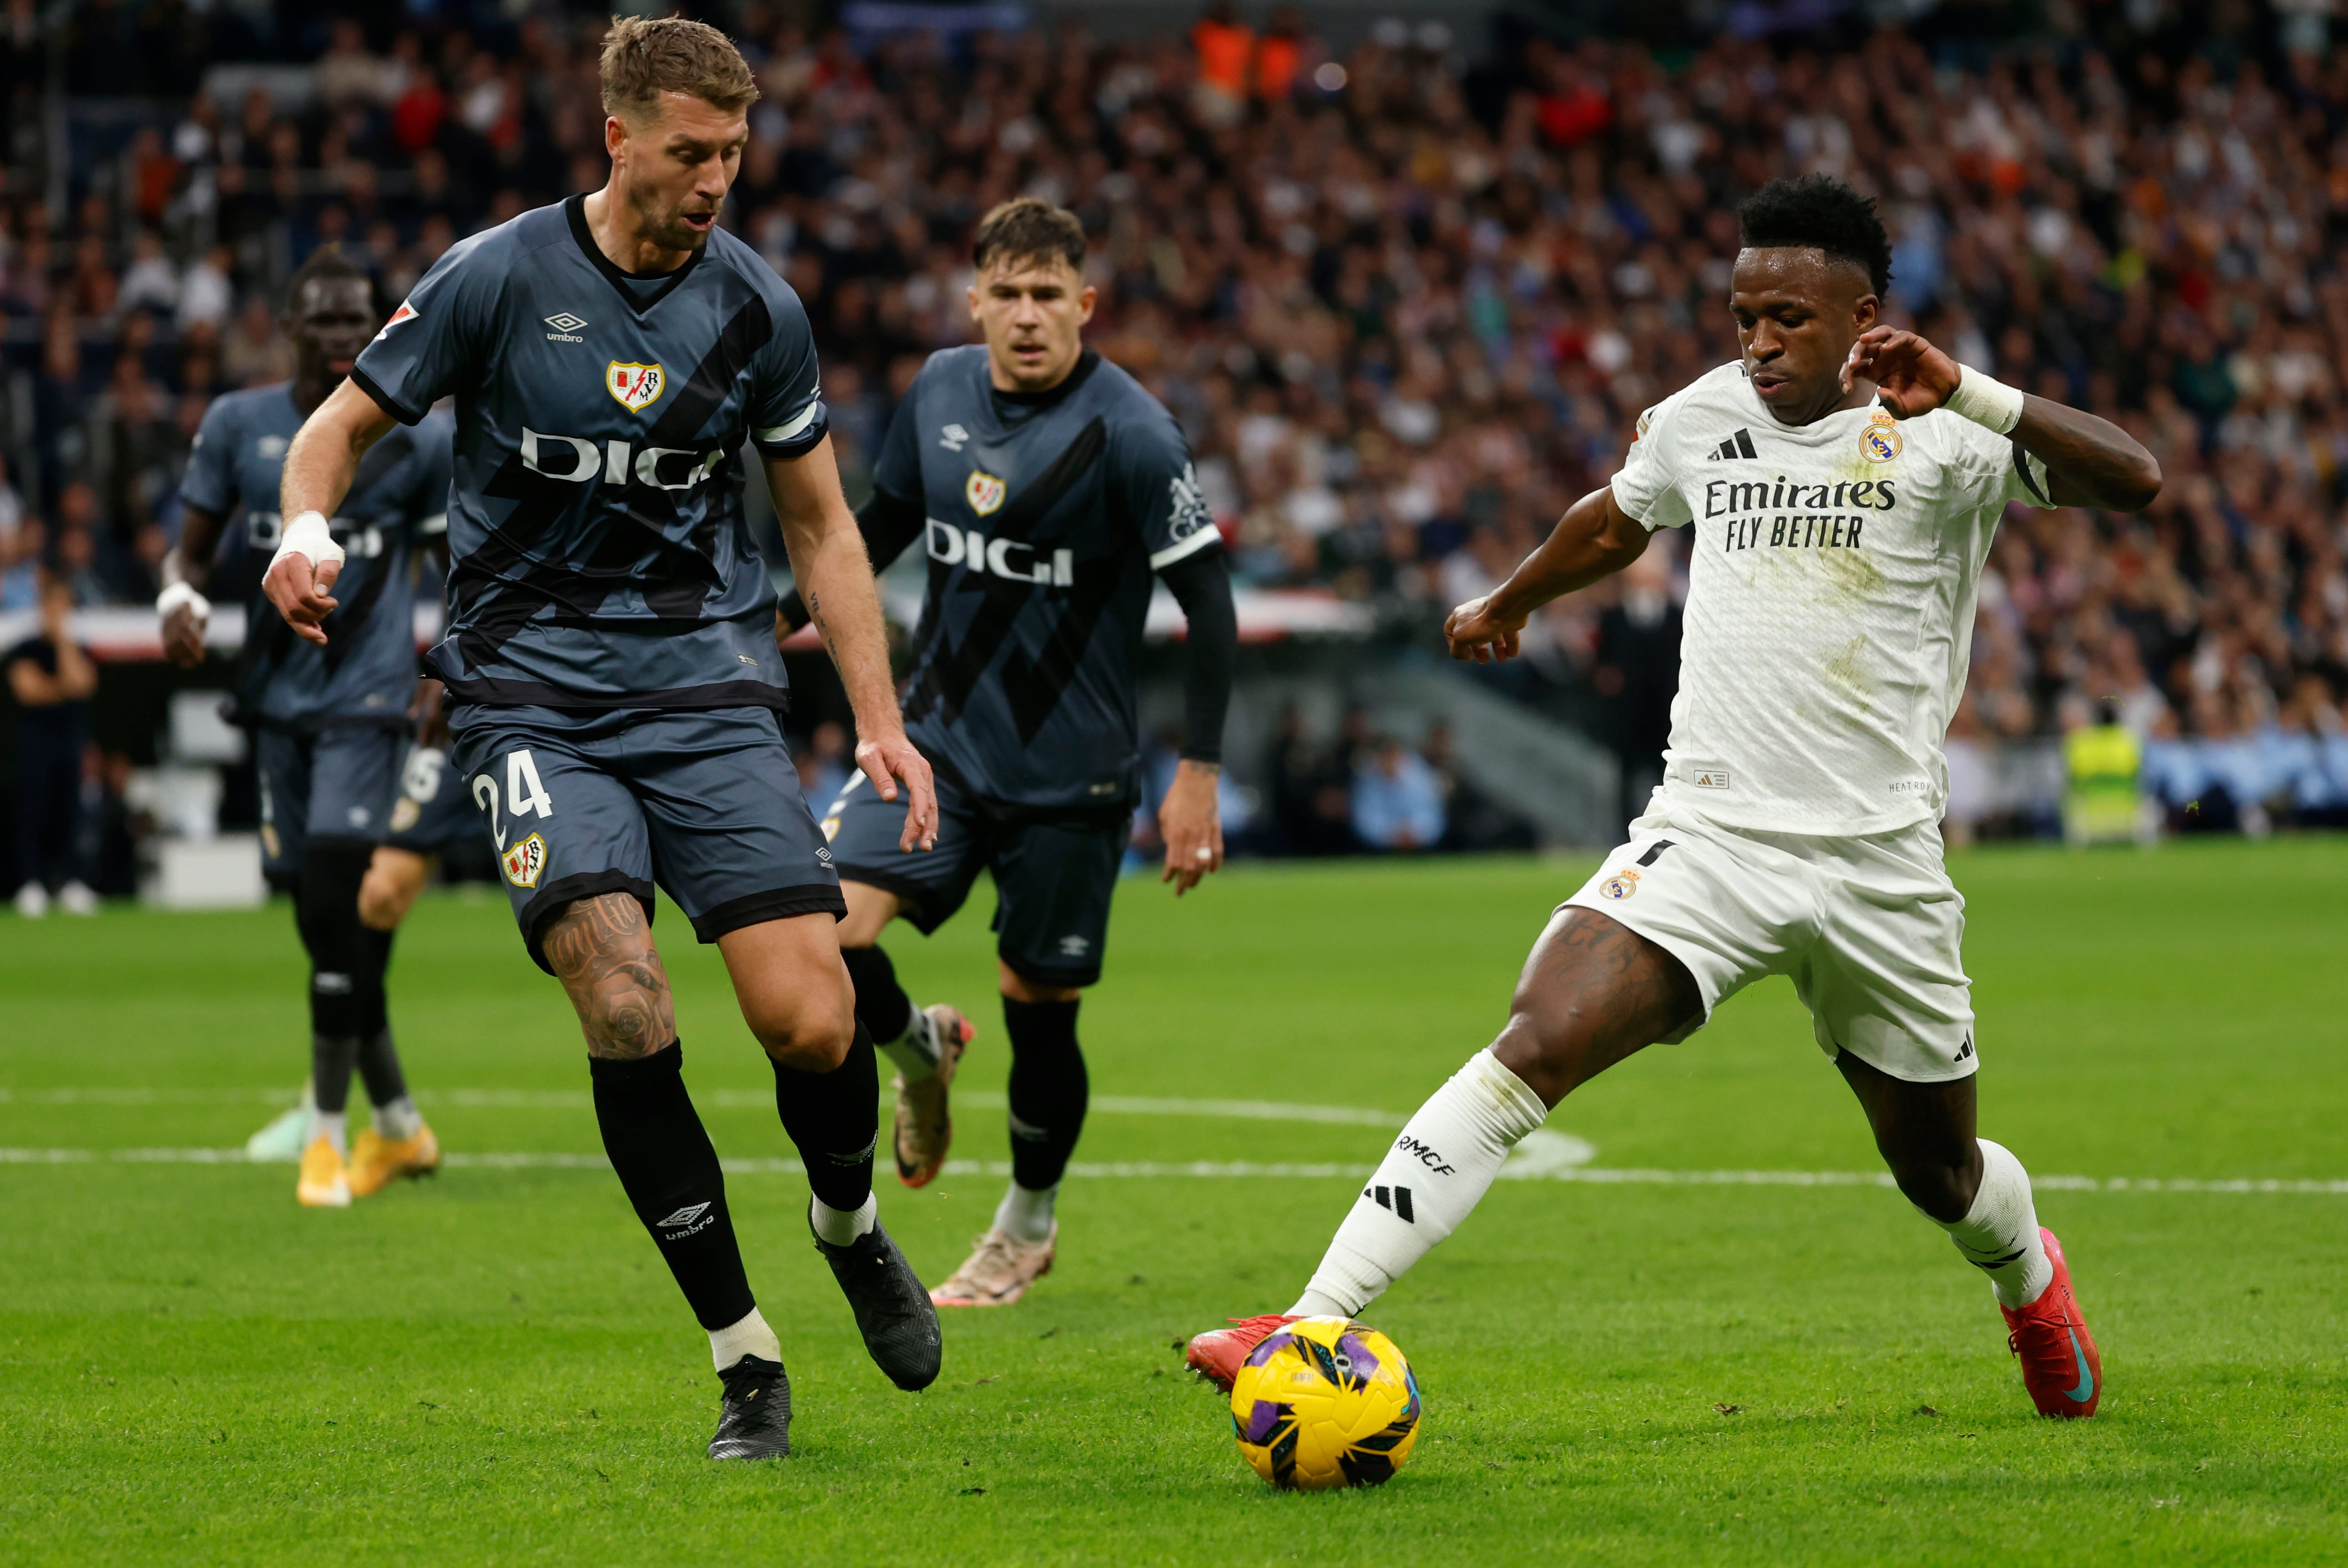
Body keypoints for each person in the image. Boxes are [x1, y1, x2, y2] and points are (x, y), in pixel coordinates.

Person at [1185, 175, 2163, 1421]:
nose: (1757, 340)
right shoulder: (1704, 417)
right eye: (1744, 313)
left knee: (1939, 1168)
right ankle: (1313, 1319)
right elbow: (1617, 518)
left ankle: (2030, 1280)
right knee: (1536, 1036)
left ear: (1866, 317)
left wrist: (1969, 390)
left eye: (1789, 319)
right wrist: (1513, 600)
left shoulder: (1950, 434)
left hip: (1880, 868)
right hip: (1710, 837)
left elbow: (2135, 479)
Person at [265, 16, 942, 1462]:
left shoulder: (758, 309)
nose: (714, 181)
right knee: (625, 1001)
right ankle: (743, 1357)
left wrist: (879, 723)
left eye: (733, 157)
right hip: (532, 701)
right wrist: (305, 529)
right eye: (690, 153)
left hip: (708, 695)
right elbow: (334, 429)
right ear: (617, 138)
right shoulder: (495, 277)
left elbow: (822, 527)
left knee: (809, 1021)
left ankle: (850, 1225)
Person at [778, 197, 1236, 1309]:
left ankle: (1025, 1226)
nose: (1027, 316)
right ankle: (920, 1054)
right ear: (973, 298)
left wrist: (1197, 778)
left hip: (1070, 777)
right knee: (819, 945)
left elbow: (1209, 610)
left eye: (1049, 296)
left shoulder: (1132, 433)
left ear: (1086, 305)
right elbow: (879, 527)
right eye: (1008, 294)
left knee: (1039, 1013)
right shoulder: (935, 391)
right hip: (932, 744)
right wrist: (778, 611)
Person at [161, 244, 452, 1202]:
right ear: (287, 325)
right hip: (275, 707)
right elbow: (192, 551)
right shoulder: (239, 426)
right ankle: (400, 1122)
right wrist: (175, 598)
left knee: (338, 902)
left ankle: (325, 1137)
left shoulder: (414, 439)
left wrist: (446, 674)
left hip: (366, 703)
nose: (339, 335)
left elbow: (468, 569)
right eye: (321, 318)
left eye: (355, 318)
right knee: (325, 925)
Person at [9, 571, 99, 917]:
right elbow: (29, 692)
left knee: (71, 813)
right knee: (33, 812)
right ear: (42, 607)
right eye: (53, 605)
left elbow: (84, 684)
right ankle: (30, 883)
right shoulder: (25, 647)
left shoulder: (77, 646)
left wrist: (63, 642)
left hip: (70, 741)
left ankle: (71, 882)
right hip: (35, 743)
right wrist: (63, 688)